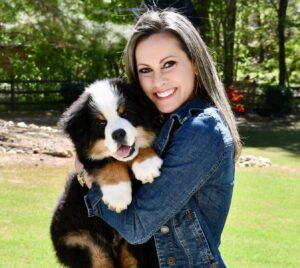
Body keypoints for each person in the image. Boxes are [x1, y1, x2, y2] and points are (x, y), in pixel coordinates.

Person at [78, 9, 241, 268]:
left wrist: (89, 177)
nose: (158, 81)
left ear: (195, 63)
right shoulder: (158, 126)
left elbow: (137, 226)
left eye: (169, 64)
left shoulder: (202, 129)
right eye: (145, 69)